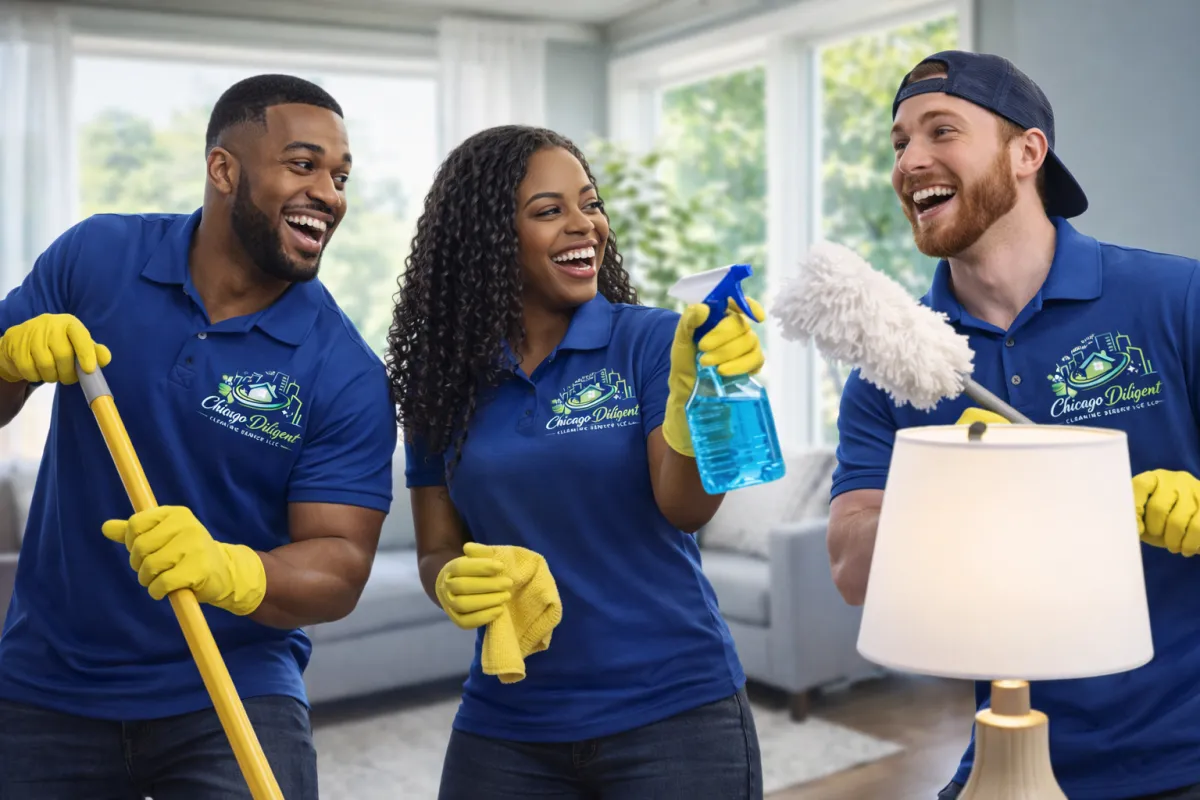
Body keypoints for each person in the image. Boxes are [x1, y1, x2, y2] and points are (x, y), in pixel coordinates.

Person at [0, 74, 396, 798]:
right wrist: (7, 361)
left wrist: (228, 569)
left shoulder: (346, 372)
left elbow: (340, 564)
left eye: (340, 177)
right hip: (48, 676)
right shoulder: (98, 257)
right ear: (223, 169)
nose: (329, 195)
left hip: (234, 682)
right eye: (303, 165)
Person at [828, 48, 1200, 799]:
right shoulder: (894, 365)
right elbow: (852, 572)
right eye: (899, 142)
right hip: (1008, 753)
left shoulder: (1175, 299)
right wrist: (953, 487)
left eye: (942, 131)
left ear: (1028, 152)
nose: (909, 161)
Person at [388, 124, 765, 799]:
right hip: (509, 716)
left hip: (674, 710)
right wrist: (450, 580)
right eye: (549, 210)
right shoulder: (441, 382)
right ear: (487, 240)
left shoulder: (649, 342)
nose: (584, 225)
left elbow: (686, 509)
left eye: (590, 204)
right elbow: (436, 548)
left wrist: (698, 402)